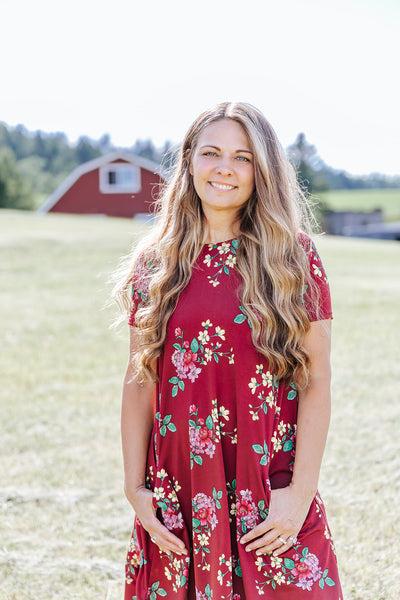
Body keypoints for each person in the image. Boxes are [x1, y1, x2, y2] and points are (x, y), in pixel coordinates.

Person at [114, 102, 343, 599]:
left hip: (268, 488)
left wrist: (299, 494)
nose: (224, 168)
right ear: (189, 161)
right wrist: (136, 488)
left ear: (262, 171)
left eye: (242, 157)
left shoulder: (293, 258)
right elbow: (140, 381)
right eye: (212, 152)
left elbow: (317, 380)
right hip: (180, 496)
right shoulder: (155, 264)